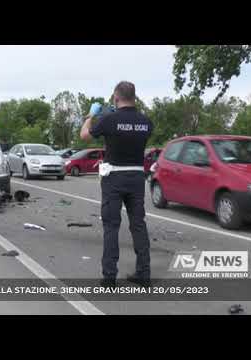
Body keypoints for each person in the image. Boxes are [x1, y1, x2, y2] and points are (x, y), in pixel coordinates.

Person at [80, 81, 153, 287]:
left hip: (114, 177)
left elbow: (84, 135)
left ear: (116, 97)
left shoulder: (108, 119)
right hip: (137, 177)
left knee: (111, 226)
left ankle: (109, 276)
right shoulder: (146, 122)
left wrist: (90, 116)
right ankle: (143, 274)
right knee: (138, 224)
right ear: (134, 97)